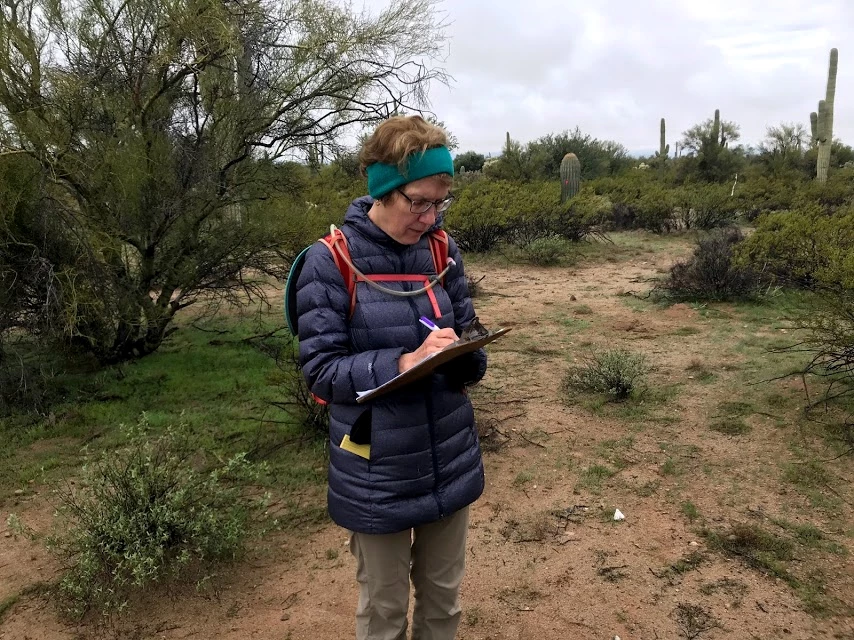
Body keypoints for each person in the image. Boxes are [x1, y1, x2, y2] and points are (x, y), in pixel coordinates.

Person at [295, 115, 488, 640]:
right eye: (418, 202)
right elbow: (320, 370)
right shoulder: (329, 261)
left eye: (439, 203)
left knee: (443, 603)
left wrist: (467, 351)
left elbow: (466, 328)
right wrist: (402, 363)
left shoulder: (442, 252)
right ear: (383, 191)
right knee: (383, 611)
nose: (429, 217)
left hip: (449, 455)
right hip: (375, 469)